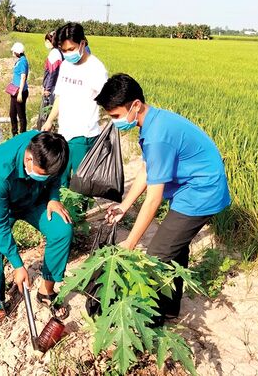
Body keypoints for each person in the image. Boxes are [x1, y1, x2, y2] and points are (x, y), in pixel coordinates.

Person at [94, 73, 231, 324]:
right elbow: (148, 169)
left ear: (135, 105)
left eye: (115, 116)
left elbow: (153, 199)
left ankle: (150, 322)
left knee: (156, 255)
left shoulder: (158, 135)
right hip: (189, 187)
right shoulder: (152, 122)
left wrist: (131, 242)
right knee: (174, 248)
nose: (114, 122)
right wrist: (124, 206)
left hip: (201, 192)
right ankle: (169, 308)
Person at [0, 131, 73, 326]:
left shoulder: (52, 150)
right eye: (42, 174)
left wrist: (53, 198)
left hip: (34, 199)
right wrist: (18, 265)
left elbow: (56, 177)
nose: (45, 177)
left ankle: (46, 291)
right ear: (28, 159)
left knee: (62, 229)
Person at [42, 23, 108, 187]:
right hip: (64, 133)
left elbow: (108, 101)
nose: (68, 54)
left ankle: (79, 213)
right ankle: (62, 212)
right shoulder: (65, 66)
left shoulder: (96, 69)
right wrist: (49, 121)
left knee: (81, 184)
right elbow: (60, 96)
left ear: (83, 43)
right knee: (60, 180)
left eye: (71, 49)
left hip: (84, 135)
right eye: (64, 50)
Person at [37, 31, 63, 130]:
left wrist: (47, 88)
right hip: (55, 86)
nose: (46, 43)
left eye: (47, 41)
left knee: (46, 113)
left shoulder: (54, 53)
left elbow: (52, 73)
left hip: (52, 88)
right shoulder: (59, 52)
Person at [9, 42, 29, 136]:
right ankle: (14, 134)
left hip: (20, 92)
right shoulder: (19, 60)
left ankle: (22, 135)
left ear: (17, 52)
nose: (12, 53)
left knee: (21, 115)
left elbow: (23, 77)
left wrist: (20, 92)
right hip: (14, 91)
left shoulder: (23, 61)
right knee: (12, 114)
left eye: (13, 51)